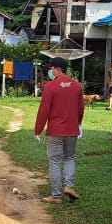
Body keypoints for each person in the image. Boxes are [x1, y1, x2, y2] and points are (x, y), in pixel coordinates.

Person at [34, 57, 84, 204]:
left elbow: (44, 110)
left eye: (51, 68)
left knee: (55, 161)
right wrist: (78, 124)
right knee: (70, 158)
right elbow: (80, 109)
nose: (50, 71)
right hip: (71, 130)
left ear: (57, 69)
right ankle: (69, 186)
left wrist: (37, 130)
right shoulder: (77, 86)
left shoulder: (51, 86)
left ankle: (56, 195)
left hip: (55, 130)